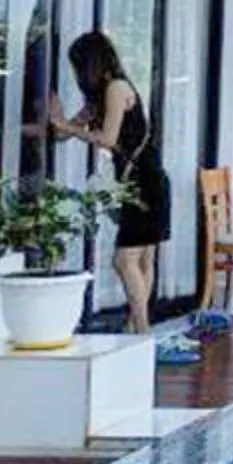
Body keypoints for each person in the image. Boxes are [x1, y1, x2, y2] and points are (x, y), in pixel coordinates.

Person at [47, 31, 170, 337]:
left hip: (144, 181)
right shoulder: (99, 98)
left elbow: (107, 140)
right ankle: (136, 326)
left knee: (124, 259)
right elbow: (64, 133)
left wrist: (69, 128)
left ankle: (142, 330)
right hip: (137, 180)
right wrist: (60, 121)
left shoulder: (116, 88)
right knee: (141, 259)